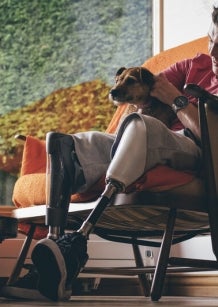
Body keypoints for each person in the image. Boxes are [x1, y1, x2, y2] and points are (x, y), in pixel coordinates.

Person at [2, 4, 218, 302]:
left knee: (143, 127)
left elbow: (209, 138)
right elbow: (148, 87)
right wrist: (150, 100)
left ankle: (75, 245)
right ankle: (52, 258)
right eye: (211, 40)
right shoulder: (197, 63)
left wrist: (177, 101)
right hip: (157, 137)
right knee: (76, 141)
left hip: (200, 150)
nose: (214, 52)